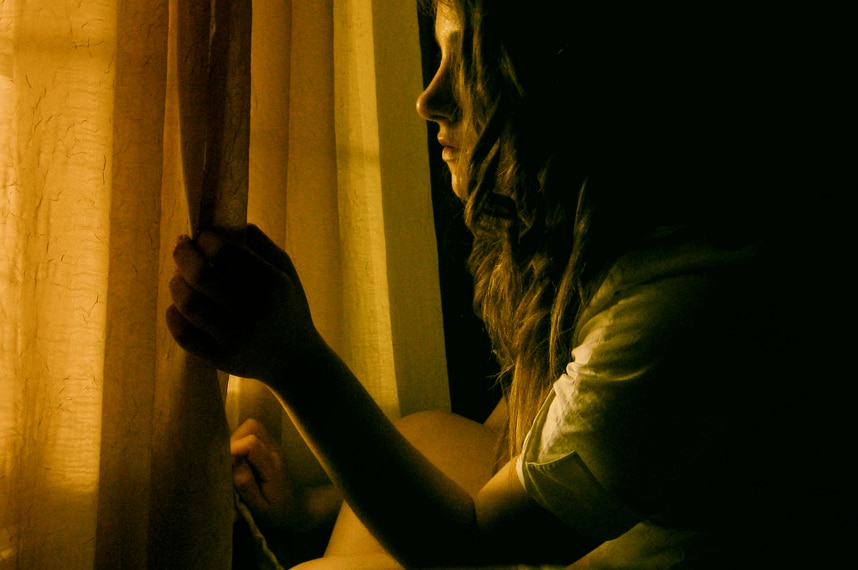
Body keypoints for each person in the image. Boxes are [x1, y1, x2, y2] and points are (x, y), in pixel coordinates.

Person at [168, 0, 853, 567]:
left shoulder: (685, 304)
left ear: (567, 79)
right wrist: (314, 509)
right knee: (421, 446)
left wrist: (294, 361)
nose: (427, 99)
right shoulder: (610, 237)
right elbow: (525, 448)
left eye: (467, 62)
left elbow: (470, 549)